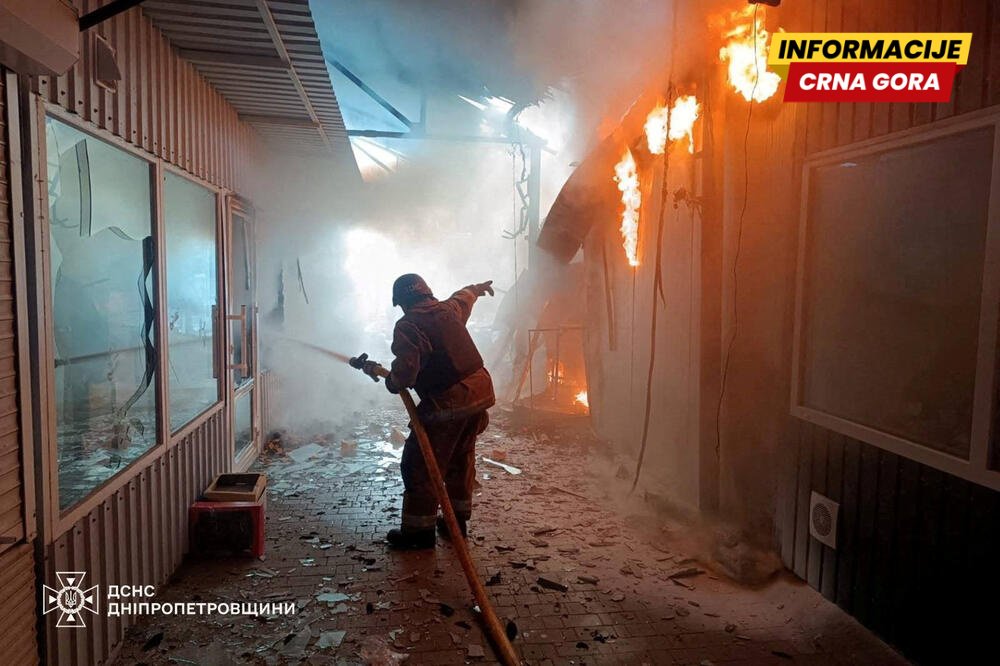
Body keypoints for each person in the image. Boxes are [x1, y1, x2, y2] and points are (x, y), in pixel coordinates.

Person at [379, 273, 496, 549]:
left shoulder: (408, 325)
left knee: (419, 465)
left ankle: (418, 534)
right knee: (461, 458)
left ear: (403, 301)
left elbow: (406, 372)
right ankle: (457, 523)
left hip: (450, 402)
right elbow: (463, 298)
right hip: (480, 393)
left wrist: (392, 382)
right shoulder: (447, 310)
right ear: (427, 293)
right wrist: (476, 288)